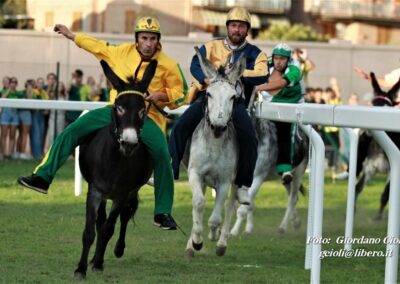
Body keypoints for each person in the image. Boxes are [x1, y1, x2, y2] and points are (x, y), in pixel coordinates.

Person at [17, 16, 188, 230]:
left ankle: (162, 212)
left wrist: (161, 95)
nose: (148, 43)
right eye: (144, 37)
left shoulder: (169, 65)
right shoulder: (120, 52)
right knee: (71, 130)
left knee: (163, 154)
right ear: (137, 38)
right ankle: (42, 177)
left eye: (153, 38)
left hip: (147, 118)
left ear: (158, 40)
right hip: (113, 112)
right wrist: (72, 36)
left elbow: (184, 93)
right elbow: (96, 46)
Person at [168, 7, 268, 204]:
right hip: (208, 98)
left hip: (234, 102)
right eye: (233, 25)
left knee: (250, 138)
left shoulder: (256, 53)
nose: (236, 30)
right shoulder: (211, 46)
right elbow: (195, 64)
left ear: (247, 30)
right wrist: (207, 79)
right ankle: (170, 171)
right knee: (180, 127)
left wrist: (236, 73)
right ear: (227, 27)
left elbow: (263, 74)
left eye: (241, 26)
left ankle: (242, 186)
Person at [254, 43, 303, 184]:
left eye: (282, 59)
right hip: (268, 106)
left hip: (290, 106)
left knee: (283, 129)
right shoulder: (266, 64)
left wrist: (257, 87)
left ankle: (285, 168)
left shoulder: (295, 69)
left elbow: (281, 83)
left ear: (288, 59)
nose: (278, 62)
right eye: (276, 58)